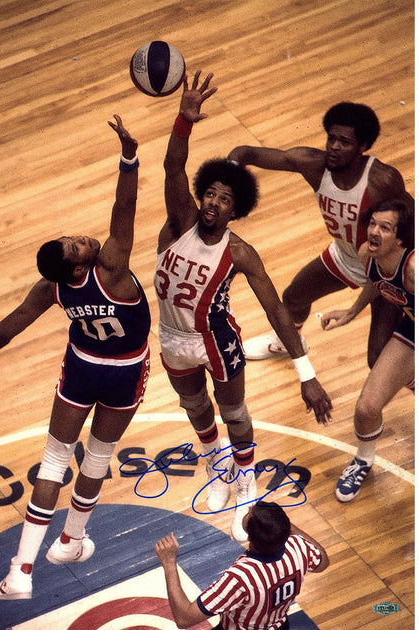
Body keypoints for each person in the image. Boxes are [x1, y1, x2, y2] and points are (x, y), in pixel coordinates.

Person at [0, 115, 151, 599]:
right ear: (81, 263)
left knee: (54, 461)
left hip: (82, 368)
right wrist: (129, 156)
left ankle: (23, 569)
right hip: (124, 373)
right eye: (76, 244)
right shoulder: (113, 266)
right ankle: (71, 539)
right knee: (97, 458)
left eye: (75, 236)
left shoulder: (53, 288)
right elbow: (125, 206)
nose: (82, 236)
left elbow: (2, 333)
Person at [154, 70, 332, 543]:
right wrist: (183, 120)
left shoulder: (240, 252)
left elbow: (276, 310)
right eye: (210, 193)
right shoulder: (179, 223)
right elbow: (173, 168)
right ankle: (217, 465)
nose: (213, 202)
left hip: (216, 340)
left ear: (236, 210)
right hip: (171, 339)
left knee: (234, 414)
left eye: (225, 199)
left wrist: (306, 373)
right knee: (193, 408)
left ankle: (247, 486)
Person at [228, 102, 414, 368]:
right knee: (294, 297)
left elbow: (413, 219)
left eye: (344, 142)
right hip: (346, 256)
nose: (334, 146)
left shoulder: (382, 180)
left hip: (385, 268)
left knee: (378, 360)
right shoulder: (314, 165)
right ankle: (285, 343)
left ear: (362, 147)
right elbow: (244, 153)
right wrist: (229, 171)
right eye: (332, 138)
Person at [321, 199, 414, 502]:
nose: (373, 231)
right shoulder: (366, 255)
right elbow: (377, 283)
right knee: (366, 409)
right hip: (412, 331)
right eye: (372, 223)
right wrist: (350, 312)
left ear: (401, 238)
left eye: (384, 228)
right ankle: (363, 459)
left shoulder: (413, 270)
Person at [155, 501, 329, 630]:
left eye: (253, 513)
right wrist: (280, 525)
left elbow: (184, 618)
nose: (251, 507)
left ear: (250, 537)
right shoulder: (298, 546)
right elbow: (323, 561)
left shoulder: (241, 577)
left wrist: (169, 562)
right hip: (278, 625)